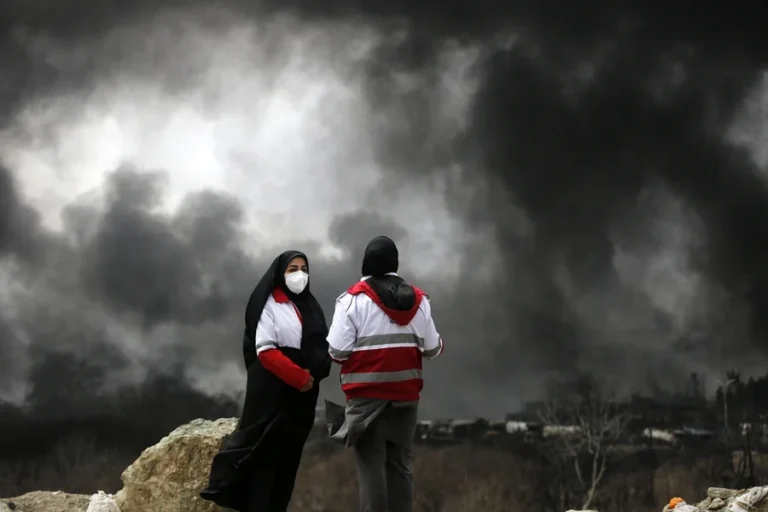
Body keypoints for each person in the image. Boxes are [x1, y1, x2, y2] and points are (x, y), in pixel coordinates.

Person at [200, 250, 331, 512]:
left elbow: (321, 345)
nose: (299, 275)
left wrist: (315, 373)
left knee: (288, 461)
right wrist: (300, 377)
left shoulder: (309, 306)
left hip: (303, 398)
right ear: (280, 273)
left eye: (304, 268)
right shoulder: (269, 305)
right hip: (274, 394)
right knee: (264, 459)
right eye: (292, 269)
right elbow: (266, 350)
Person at [326, 236, 443, 512]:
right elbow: (432, 349)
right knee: (400, 465)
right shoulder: (419, 300)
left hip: (366, 399)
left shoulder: (351, 301)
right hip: (405, 397)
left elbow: (337, 352)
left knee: (371, 468)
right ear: (395, 265)